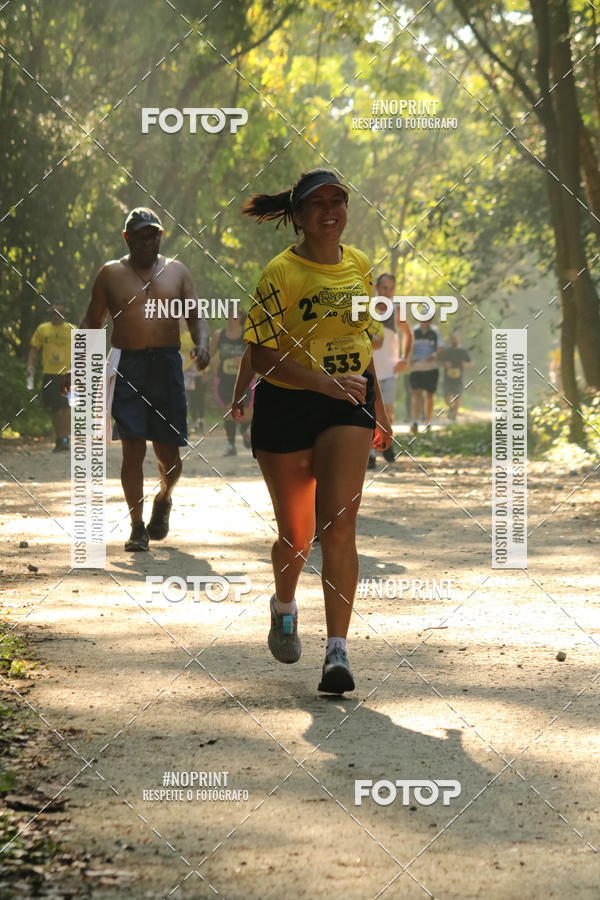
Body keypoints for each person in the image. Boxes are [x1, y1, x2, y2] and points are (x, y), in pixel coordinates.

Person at [241, 168, 391, 694]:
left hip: (348, 403)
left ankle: (338, 654)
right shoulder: (279, 274)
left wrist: (379, 406)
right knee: (296, 537)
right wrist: (321, 384)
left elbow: (362, 339)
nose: (331, 211)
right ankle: (284, 604)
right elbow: (260, 356)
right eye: (318, 204)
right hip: (287, 406)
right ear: (299, 217)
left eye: (340, 201)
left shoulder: (359, 267)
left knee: (339, 527)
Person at [81, 207, 209, 551]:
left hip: (167, 367)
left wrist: (203, 345)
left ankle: (164, 496)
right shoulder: (110, 274)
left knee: (170, 455)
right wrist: (76, 368)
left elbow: (196, 315)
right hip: (128, 367)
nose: (149, 240)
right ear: (127, 237)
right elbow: (92, 323)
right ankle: (136, 527)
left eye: (154, 234)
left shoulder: (177, 271)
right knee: (133, 449)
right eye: (141, 234)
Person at [368, 273, 413, 469]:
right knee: (370, 412)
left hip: (389, 370)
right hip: (369, 369)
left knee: (387, 411)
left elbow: (408, 335)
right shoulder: (366, 310)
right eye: (384, 288)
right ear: (377, 288)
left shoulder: (396, 311)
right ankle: (370, 454)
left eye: (391, 289)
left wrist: (405, 358)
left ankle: (386, 444)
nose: (387, 292)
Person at [27, 304, 75, 452]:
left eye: (60, 313)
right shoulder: (43, 329)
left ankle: (65, 438)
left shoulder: (73, 329)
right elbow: (34, 349)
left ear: (64, 314)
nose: (56, 315)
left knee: (66, 407)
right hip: (50, 374)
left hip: (68, 374)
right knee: (55, 408)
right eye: (54, 313)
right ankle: (59, 438)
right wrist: (30, 366)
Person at [211, 309, 251, 455]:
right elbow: (210, 354)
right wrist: (212, 365)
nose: (230, 317)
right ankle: (231, 445)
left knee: (243, 412)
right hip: (225, 378)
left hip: (243, 378)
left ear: (241, 317)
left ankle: (245, 430)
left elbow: (255, 355)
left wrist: (244, 360)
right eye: (228, 314)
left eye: (234, 315)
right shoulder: (219, 335)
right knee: (228, 410)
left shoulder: (247, 335)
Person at [409, 314, 443, 435]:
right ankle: (415, 422)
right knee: (415, 394)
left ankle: (428, 422)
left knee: (429, 395)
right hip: (416, 367)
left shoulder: (435, 332)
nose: (426, 321)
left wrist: (433, 356)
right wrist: (408, 357)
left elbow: (440, 348)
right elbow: (407, 346)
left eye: (428, 319)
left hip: (431, 368)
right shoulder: (413, 331)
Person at [180, 323, 207, 435]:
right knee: (185, 398)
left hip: (191, 372)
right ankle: (187, 423)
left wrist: (201, 369)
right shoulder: (171, 336)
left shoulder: (189, 336)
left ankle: (198, 421)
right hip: (178, 371)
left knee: (194, 397)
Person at [440, 331, 472, 419]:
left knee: (458, 396)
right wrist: (445, 364)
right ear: (451, 340)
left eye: (456, 338)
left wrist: (465, 364)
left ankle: (454, 415)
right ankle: (452, 408)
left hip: (459, 377)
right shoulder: (447, 351)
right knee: (447, 397)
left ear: (459, 339)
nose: (455, 340)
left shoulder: (463, 351)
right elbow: (440, 362)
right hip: (447, 377)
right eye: (453, 338)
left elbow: (471, 363)